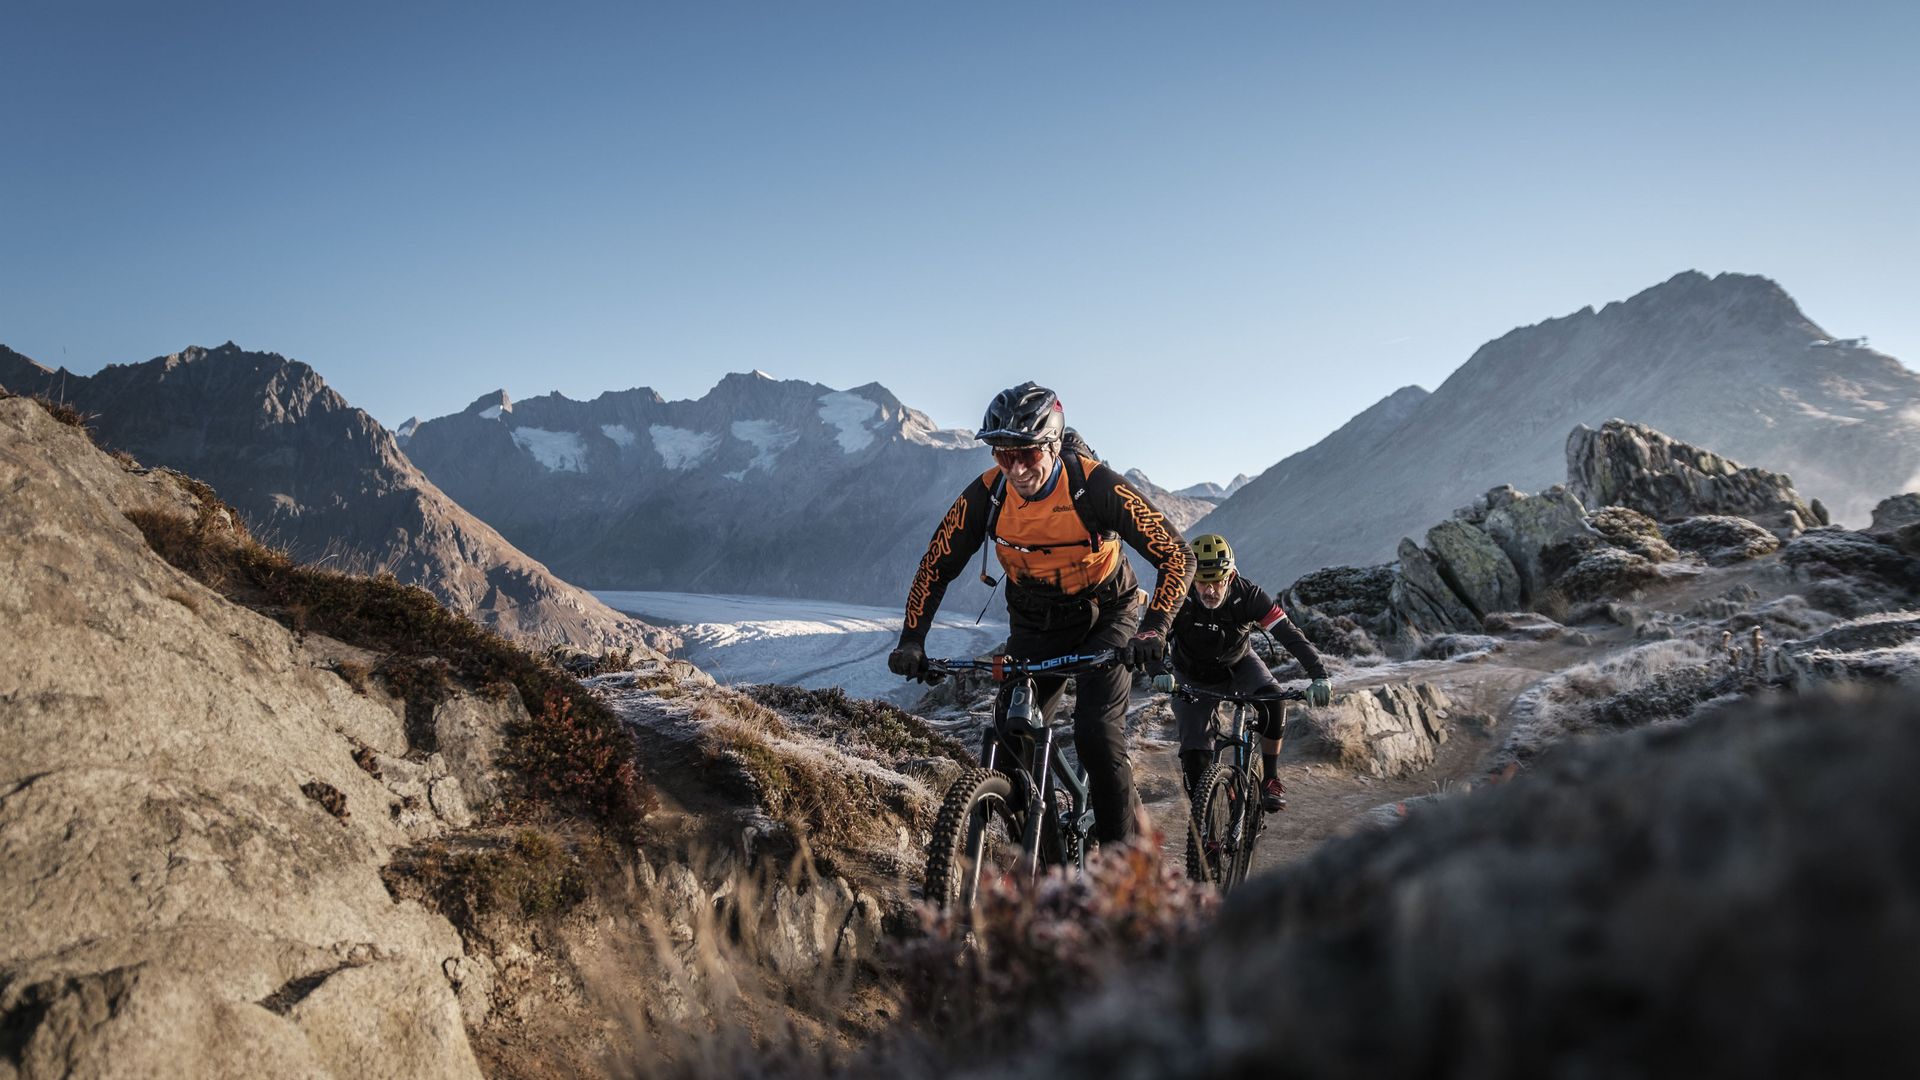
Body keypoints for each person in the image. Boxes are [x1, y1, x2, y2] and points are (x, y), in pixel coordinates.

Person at [888, 382, 1193, 845]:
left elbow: (1177, 556)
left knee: (1095, 735)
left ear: (1052, 444)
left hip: (1107, 612)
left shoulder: (1096, 485)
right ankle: (1046, 863)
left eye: (1026, 453)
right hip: (1035, 620)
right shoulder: (989, 495)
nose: (1015, 467)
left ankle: (1119, 868)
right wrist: (912, 638)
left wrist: (1154, 630)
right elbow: (936, 563)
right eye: (1002, 454)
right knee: (1014, 743)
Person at [1168, 533, 1331, 812]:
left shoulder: (1249, 595)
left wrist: (1319, 674)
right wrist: (1158, 669)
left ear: (1230, 577)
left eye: (1217, 581)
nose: (1210, 591)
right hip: (1190, 673)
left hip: (1239, 664)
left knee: (1274, 701)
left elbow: (1288, 634)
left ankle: (1270, 778)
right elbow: (1153, 634)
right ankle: (1205, 829)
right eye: (1202, 582)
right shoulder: (1175, 595)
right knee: (1195, 757)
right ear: (1190, 578)